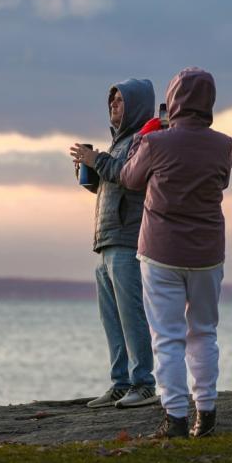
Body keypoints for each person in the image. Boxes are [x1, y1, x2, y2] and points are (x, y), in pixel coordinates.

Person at [120, 67, 232, 438]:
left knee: (167, 337)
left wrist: (144, 136)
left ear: (174, 102)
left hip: (161, 251)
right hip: (207, 253)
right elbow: (222, 182)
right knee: (204, 333)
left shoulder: (156, 143)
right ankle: (208, 412)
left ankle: (176, 417)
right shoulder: (224, 144)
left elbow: (130, 179)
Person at [69, 78, 159, 409]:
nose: (113, 107)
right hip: (105, 241)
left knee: (131, 313)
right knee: (112, 318)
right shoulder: (118, 144)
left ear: (135, 105)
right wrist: (89, 175)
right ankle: (121, 383)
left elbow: (131, 180)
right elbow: (114, 185)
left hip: (127, 241)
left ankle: (144, 384)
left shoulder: (143, 141)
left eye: (119, 101)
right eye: (111, 102)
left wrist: (98, 161)